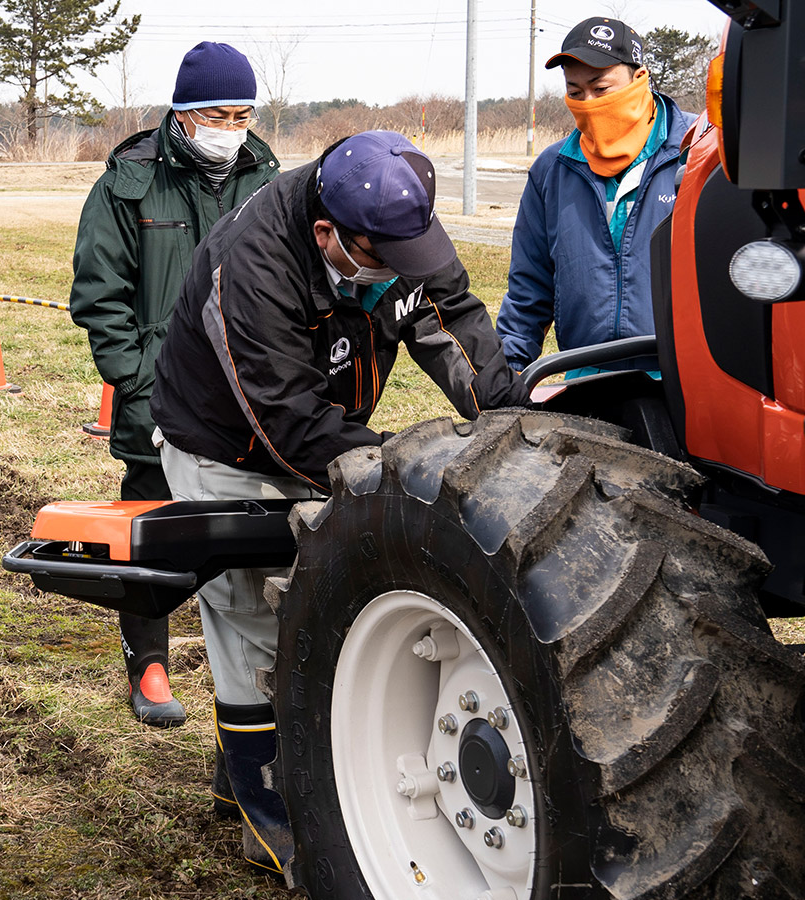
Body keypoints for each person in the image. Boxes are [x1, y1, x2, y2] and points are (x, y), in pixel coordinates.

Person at [148, 130, 527, 875]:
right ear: (329, 235)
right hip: (230, 447)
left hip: (325, 426)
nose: (402, 273)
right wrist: (394, 473)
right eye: (383, 262)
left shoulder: (398, 224)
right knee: (255, 618)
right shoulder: (251, 266)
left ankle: (244, 767)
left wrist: (510, 425)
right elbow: (285, 419)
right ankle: (269, 818)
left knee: (321, 605)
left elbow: (451, 323)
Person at [68, 40, 279, 729]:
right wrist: (136, 383)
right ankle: (149, 664)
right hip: (158, 400)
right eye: (218, 114)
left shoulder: (266, 178)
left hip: (247, 401)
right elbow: (100, 296)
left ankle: (247, 687)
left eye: (243, 114)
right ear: (184, 115)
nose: (231, 128)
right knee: (153, 533)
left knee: (243, 543)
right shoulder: (127, 185)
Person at [496, 17, 694, 374]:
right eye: (575, 93)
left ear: (639, 79)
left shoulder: (698, 149)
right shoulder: (552, 169)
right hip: (587, 374)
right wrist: (508, 373)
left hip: (685, 378)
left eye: (601, 90)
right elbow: (529, 288)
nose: (588, 103)